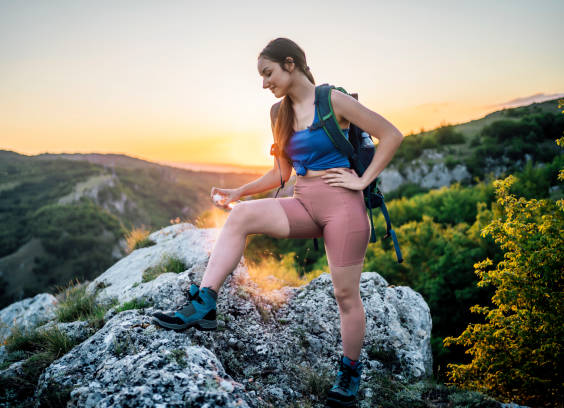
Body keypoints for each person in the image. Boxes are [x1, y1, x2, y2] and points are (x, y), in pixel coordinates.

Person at [154, 37, 404, 407]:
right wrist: (239, 191)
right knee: (241, 217)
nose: (264, 83)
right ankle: (204, 302)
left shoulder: (332, 100)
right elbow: (282, 174)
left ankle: (349, 373)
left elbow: (392, 134)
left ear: (290, 64)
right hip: (303, 203)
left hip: (345, 211)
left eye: (267, 73)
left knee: (345, 296)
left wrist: (362, 180)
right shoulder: (278, 114)